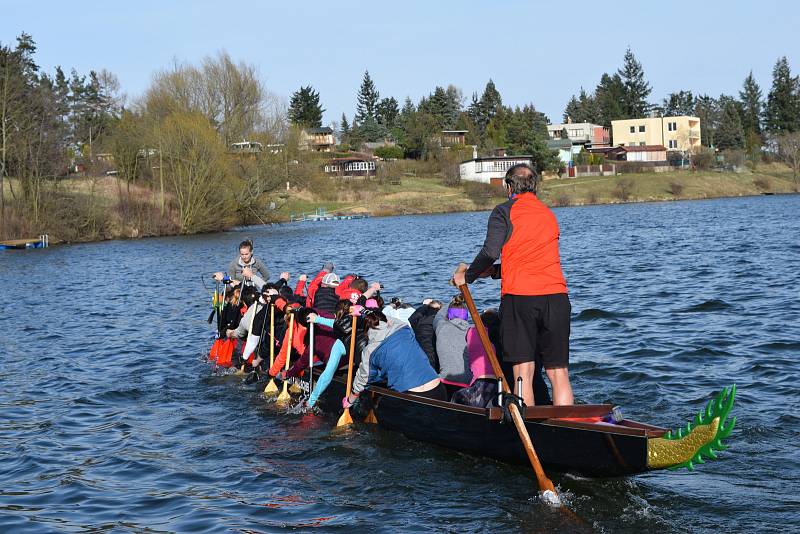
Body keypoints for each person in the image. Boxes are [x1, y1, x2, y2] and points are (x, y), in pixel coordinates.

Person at [453, 163, 574, 406]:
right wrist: (495, 272)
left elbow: (489, 252)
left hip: (521, 298)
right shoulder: (548, 214)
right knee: (558, 373)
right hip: (557, 299)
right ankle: (566, 429)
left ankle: (527, 429)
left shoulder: (503, 211)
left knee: (523, 372)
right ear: (535, 186)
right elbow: (529, 257)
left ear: (509, 188)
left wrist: (468, 276)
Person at [344, 310, 445, 407]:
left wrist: (350, 400)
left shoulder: (370, 351)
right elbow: (388, 319)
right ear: (387, 321)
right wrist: (363, 311)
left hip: (413, 396)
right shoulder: (404, 328)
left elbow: (362, 380)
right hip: (439, 389)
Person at [432, 294, 472, 386]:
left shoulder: (441, 327)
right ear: (466, 315)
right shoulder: (472, 331)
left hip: (445, 381)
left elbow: (439, 315)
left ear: (449, 314)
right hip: (468, 383)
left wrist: (453, 300)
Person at [408, 299, 443, 371]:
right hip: (437, 359)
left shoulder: (418, 322)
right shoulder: (441, 322)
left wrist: (424, 306)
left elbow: (412, 318)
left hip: (421, 357)